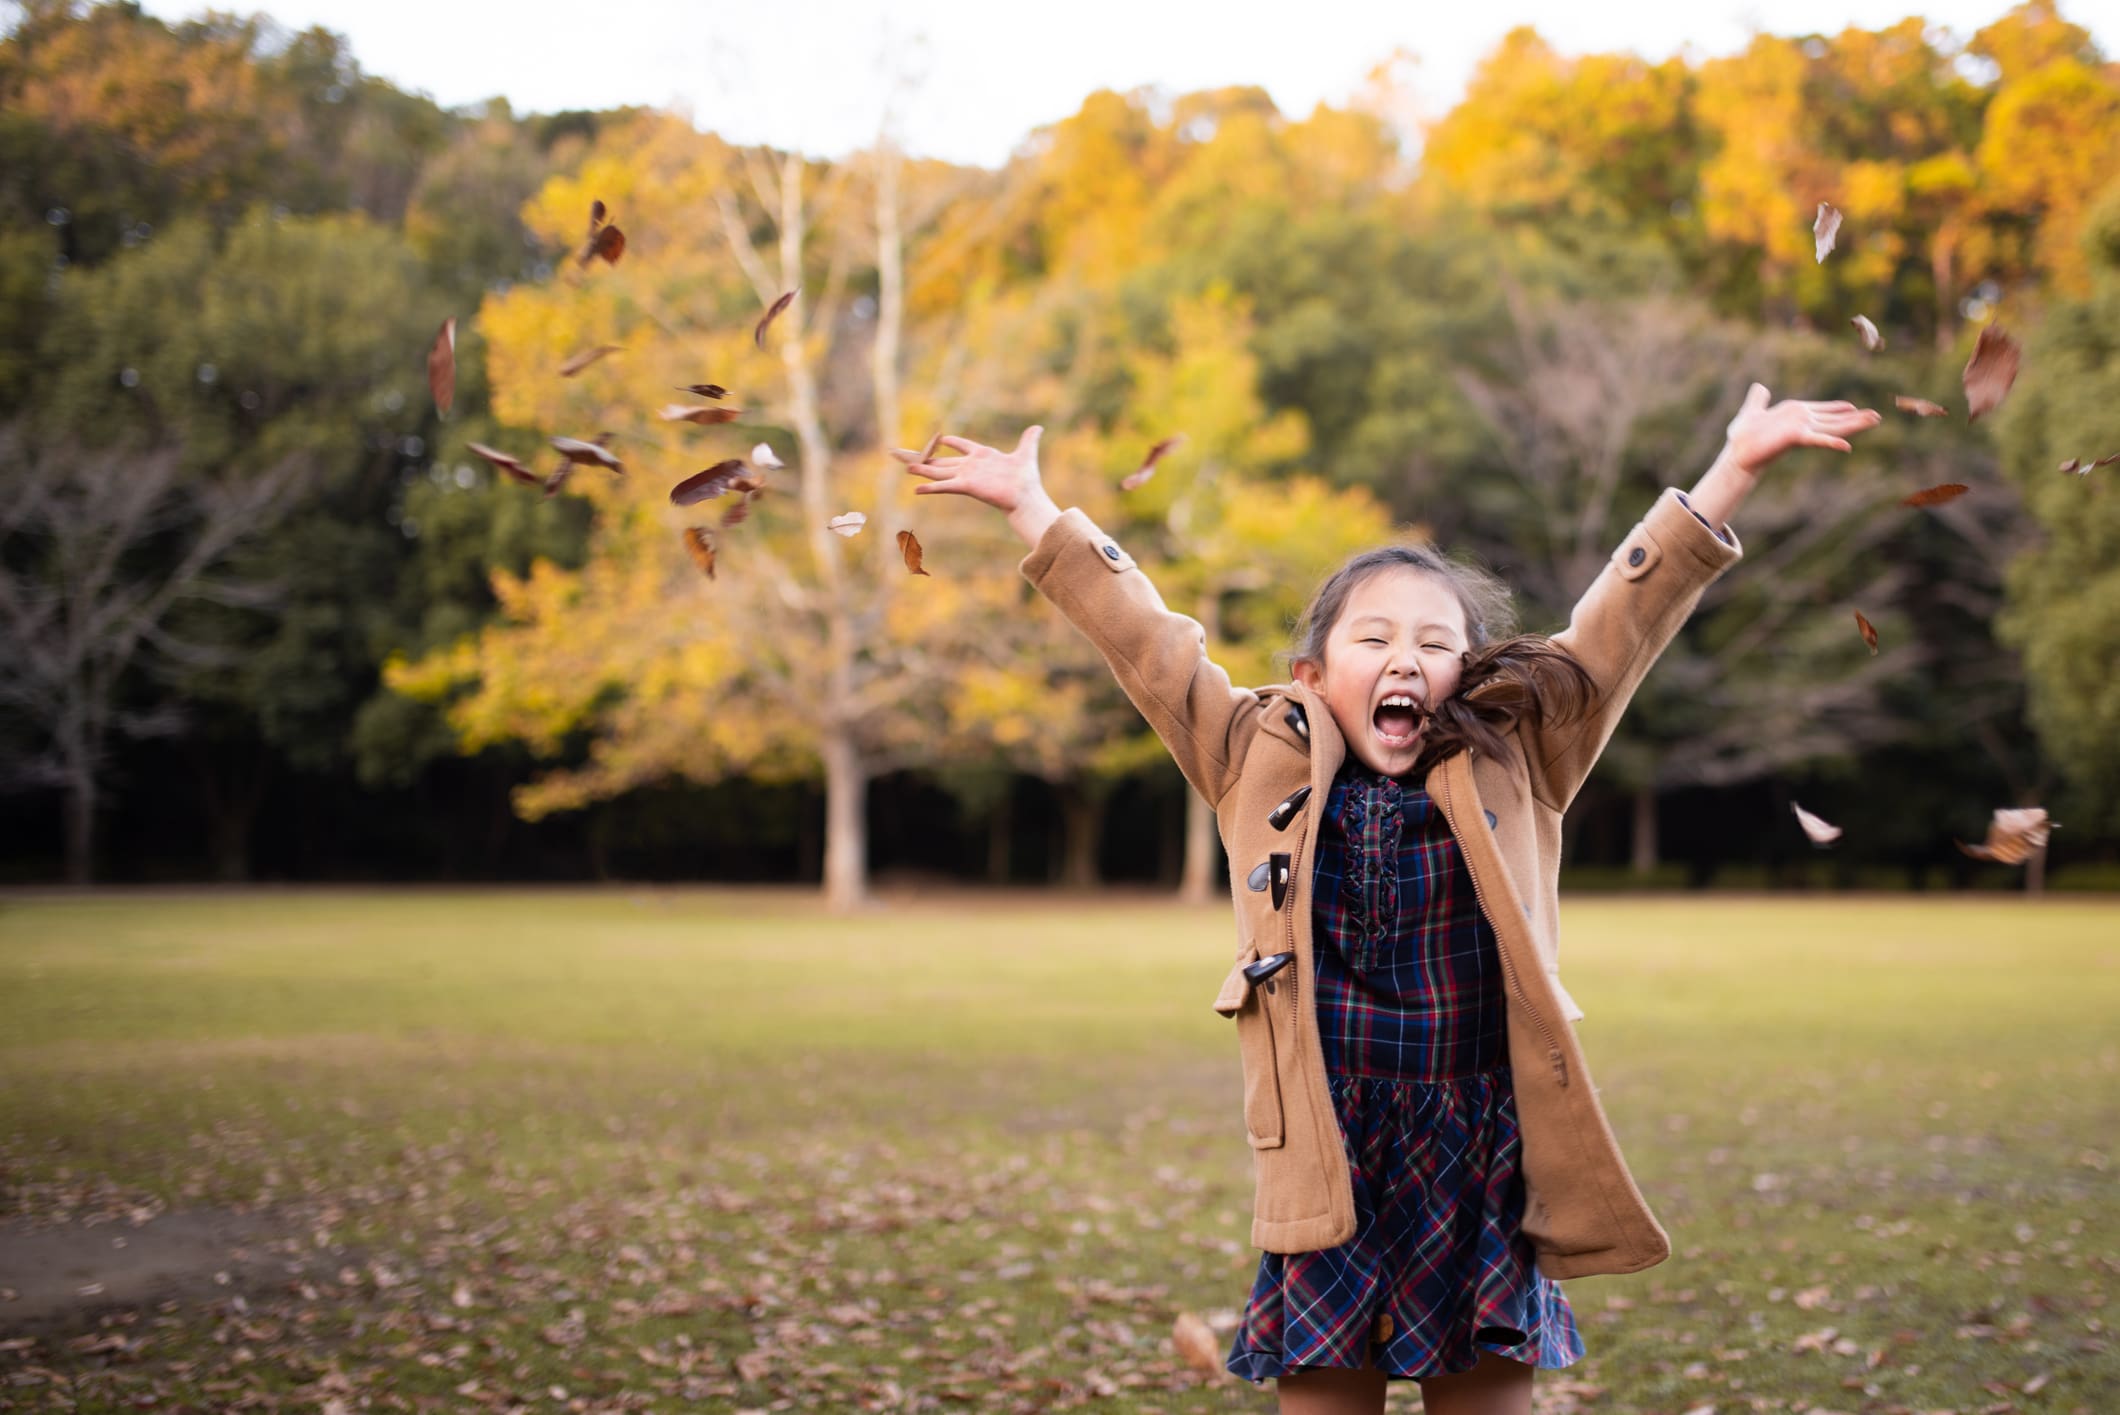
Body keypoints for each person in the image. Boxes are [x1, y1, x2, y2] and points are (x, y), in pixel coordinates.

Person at [905, 384, 1881, 1415]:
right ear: (1313, 671)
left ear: (1463, 669)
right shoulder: (1251, 754)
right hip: (1328, 1158)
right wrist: (1032, 509)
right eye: (1372, 638)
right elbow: (1146, 642)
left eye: (1433, 640)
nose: (1404, 657)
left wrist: (1731, 469)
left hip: (1481, 1159)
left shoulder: (1522, 750)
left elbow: (1619, 623)